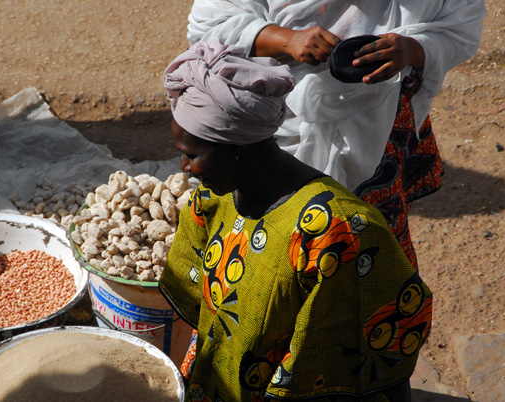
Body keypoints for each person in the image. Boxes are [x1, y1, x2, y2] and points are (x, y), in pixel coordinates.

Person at [160, 39, 433, 402]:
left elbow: (384, 362)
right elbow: (205, 317)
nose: (185, 170)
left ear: (237, 149)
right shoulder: (212, 201)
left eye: (191, 156)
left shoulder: (339, 231)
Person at [184, 0, 486, 269]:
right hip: (276, 121)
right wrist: (286, 39)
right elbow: (211, 22)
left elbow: (461, 25)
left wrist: (412, 48)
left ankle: (358, 308)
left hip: (380, 123)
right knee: (273, 240)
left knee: (363, 239)